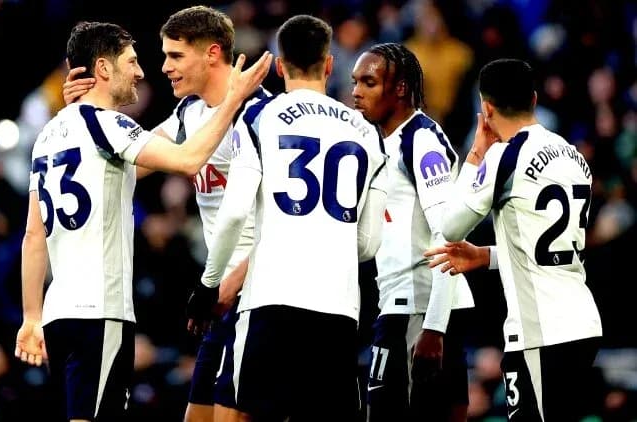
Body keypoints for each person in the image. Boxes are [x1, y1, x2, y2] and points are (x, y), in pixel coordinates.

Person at [13, 20, 271, 422]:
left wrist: (31, 317)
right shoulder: (113, 126)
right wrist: (234, 99)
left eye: (172, 56)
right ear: (103, 68)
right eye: (132, 61)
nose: (144, 71)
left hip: (58, 314)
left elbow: (33, 234)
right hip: (102, 311)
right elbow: (187, 159)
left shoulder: (49, 133)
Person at [186, 15, 388, 421]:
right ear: (329, 64)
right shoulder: (368, 132)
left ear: (280, 66)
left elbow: (234, 214)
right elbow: (368, 243)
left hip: (270, 301)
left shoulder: (260, 117)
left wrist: (209, 286)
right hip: (338, 309)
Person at [425, 58, 602, 421]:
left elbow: (450, 226)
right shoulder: (572, 155)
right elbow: (550, 248)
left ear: (486, 107)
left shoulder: (505, 156)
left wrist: (476, 154)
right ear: (534, 99)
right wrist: (486, 256)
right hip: (583, 323)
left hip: (541, 330)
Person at [351, 43, 474, 421]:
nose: (356, 92)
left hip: (418, 309)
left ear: (400, 88)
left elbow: (448, 235)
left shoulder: (421, 140)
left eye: (369, 82)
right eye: (355, 82)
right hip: (403, 305)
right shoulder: (382, 142)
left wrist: (434, 329)